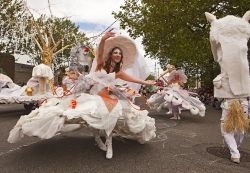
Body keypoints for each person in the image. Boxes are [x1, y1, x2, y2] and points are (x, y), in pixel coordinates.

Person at [8, 31, 156, 160]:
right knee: (72, 113)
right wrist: (104, 38)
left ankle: (109, 144)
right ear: (111, 54)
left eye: (119, 53)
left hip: (108, 98)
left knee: (112, 114)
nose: (117, 55)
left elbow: (135, 80)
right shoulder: (100, 65)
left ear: (121, 57)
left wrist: (148, 83)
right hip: (92, 96)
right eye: (115, 52)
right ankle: (98, 137)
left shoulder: (119, 72)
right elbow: (99, 51)